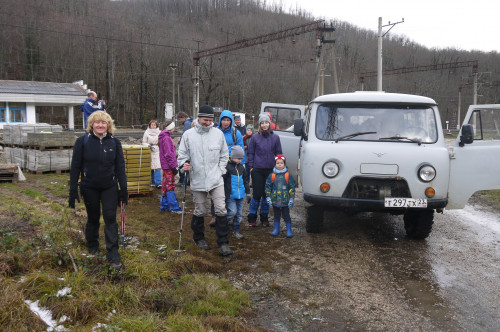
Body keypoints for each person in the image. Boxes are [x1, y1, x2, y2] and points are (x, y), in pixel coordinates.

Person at [69, 111, 127, 270]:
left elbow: (120, 167)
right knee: (93, 217)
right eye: (97, 122)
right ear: (92, 125)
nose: (100, 125)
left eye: (104, 122)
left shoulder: (114, 142)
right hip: (89, 186)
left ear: (108, 125)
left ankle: (113, 252)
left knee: (109, 218)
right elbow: (75, 167)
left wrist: (124, 188)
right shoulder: (83, 141)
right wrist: (73, 188)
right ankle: (92, 245)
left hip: (109, 186)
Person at [177, 105, 233, 256]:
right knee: (200, 210)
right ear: (198, 118)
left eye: (210, 120)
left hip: (216, 179)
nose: (208, 123)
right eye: (205, 120)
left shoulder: (218, 134)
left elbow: (224, 155)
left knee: (221, 209)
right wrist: (184, 165)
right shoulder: (188, 135)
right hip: (197, 178)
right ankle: (199, 238)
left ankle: (223, 242)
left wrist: (221, 170)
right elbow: (181, 156)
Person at [209, 110, 246, 227]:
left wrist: (242, 165)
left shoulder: (236, 133)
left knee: (230, 190)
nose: (226, 122)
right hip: (217, 164)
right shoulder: (215, 132)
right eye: (224, 120)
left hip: (232, 165)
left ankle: (229, 214)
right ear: (220, 120)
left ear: (231, 121)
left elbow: (241, 149)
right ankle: (215, 215)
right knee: (216, 189)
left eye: (228, 120)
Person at [246, 112, 282, 227]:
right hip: (257, 170)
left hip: (270, 170)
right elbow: (250, 152)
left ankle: (264, 217)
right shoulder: (255, 137)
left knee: (267, 195)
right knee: (257, 194)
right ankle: (252, 217)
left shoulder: (275, 138)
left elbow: (278, 154)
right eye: (262, 123)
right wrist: (251, 166)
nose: (265, 125)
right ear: (260, 124)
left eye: (267, 122)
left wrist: (279, 167)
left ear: (270, 124)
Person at [223, 145, 250, 240]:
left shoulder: (242, 168)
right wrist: (224, 194)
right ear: (232, 156)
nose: (240, 160)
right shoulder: (227, 167)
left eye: (241, 158)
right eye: (238, 158)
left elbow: (245, 181)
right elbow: (223, 182)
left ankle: (236, 231)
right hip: (231, 195)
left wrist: (248, 193)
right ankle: (222, 223)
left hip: (240, 195)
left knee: (239, 215)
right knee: (232, 212)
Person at [265, 154, 296, 238]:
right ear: (275, 164)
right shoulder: (272, 176)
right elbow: (268, 187)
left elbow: (292, 187)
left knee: (286, 216)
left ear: (284, 164)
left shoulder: (288, 175)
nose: (279, 165)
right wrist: (268, 197)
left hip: (285, 201)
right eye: (277, 163)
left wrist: (291, 199)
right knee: (276, 216)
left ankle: (289, 230)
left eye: (281, 163)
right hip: (275, 200)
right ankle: (276, 229)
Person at [159, 120, 182, 213]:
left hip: (165, 166)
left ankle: (164, 205)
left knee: (165, 185)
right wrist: (174, 167)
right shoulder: (167, 138)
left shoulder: (163, 137)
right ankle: (174, 207)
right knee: (170, 185)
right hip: (169, 166)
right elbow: (169, 154)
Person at [142, 120, 161, 188]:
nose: (153, 126)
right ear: (149, 125)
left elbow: (161, 141)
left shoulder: (159, 132)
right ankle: (152, 181)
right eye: (152, 125)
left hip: (157, 150)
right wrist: (148, 146)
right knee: (151, 167)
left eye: (154, 125)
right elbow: (143, 142)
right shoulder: (146, 132)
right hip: (149, 150)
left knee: (157, 166)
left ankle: (158, 183)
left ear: (156, 125)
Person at [177, 112, 193, 185]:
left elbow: (185, 135)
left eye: (180, 119)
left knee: (184, 163)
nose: (179, 121)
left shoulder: (187, 123)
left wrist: (181, 139)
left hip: (187, 147)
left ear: (183, 117)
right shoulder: (189, 122)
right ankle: (188, 180)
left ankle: (183, 180)